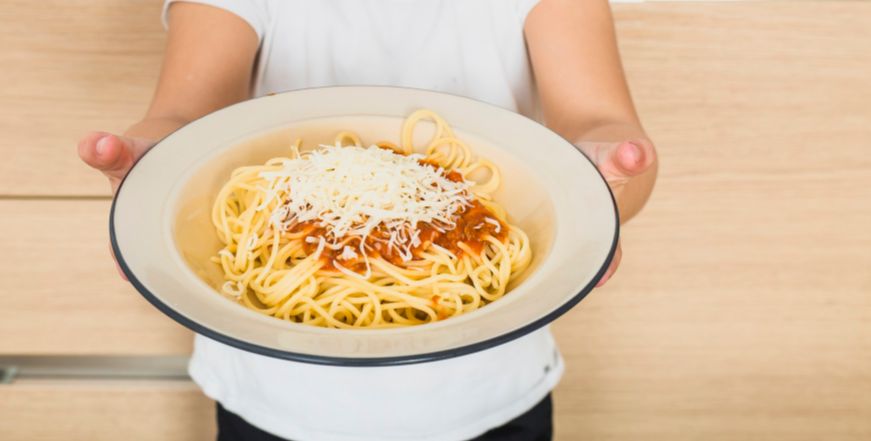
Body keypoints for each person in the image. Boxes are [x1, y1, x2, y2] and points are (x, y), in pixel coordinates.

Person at [78, 1, 657, 440]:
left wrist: (608, 181)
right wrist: (150, 171)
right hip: (271, 398)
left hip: (490, 395)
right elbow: (182, 118)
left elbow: (601, 125)